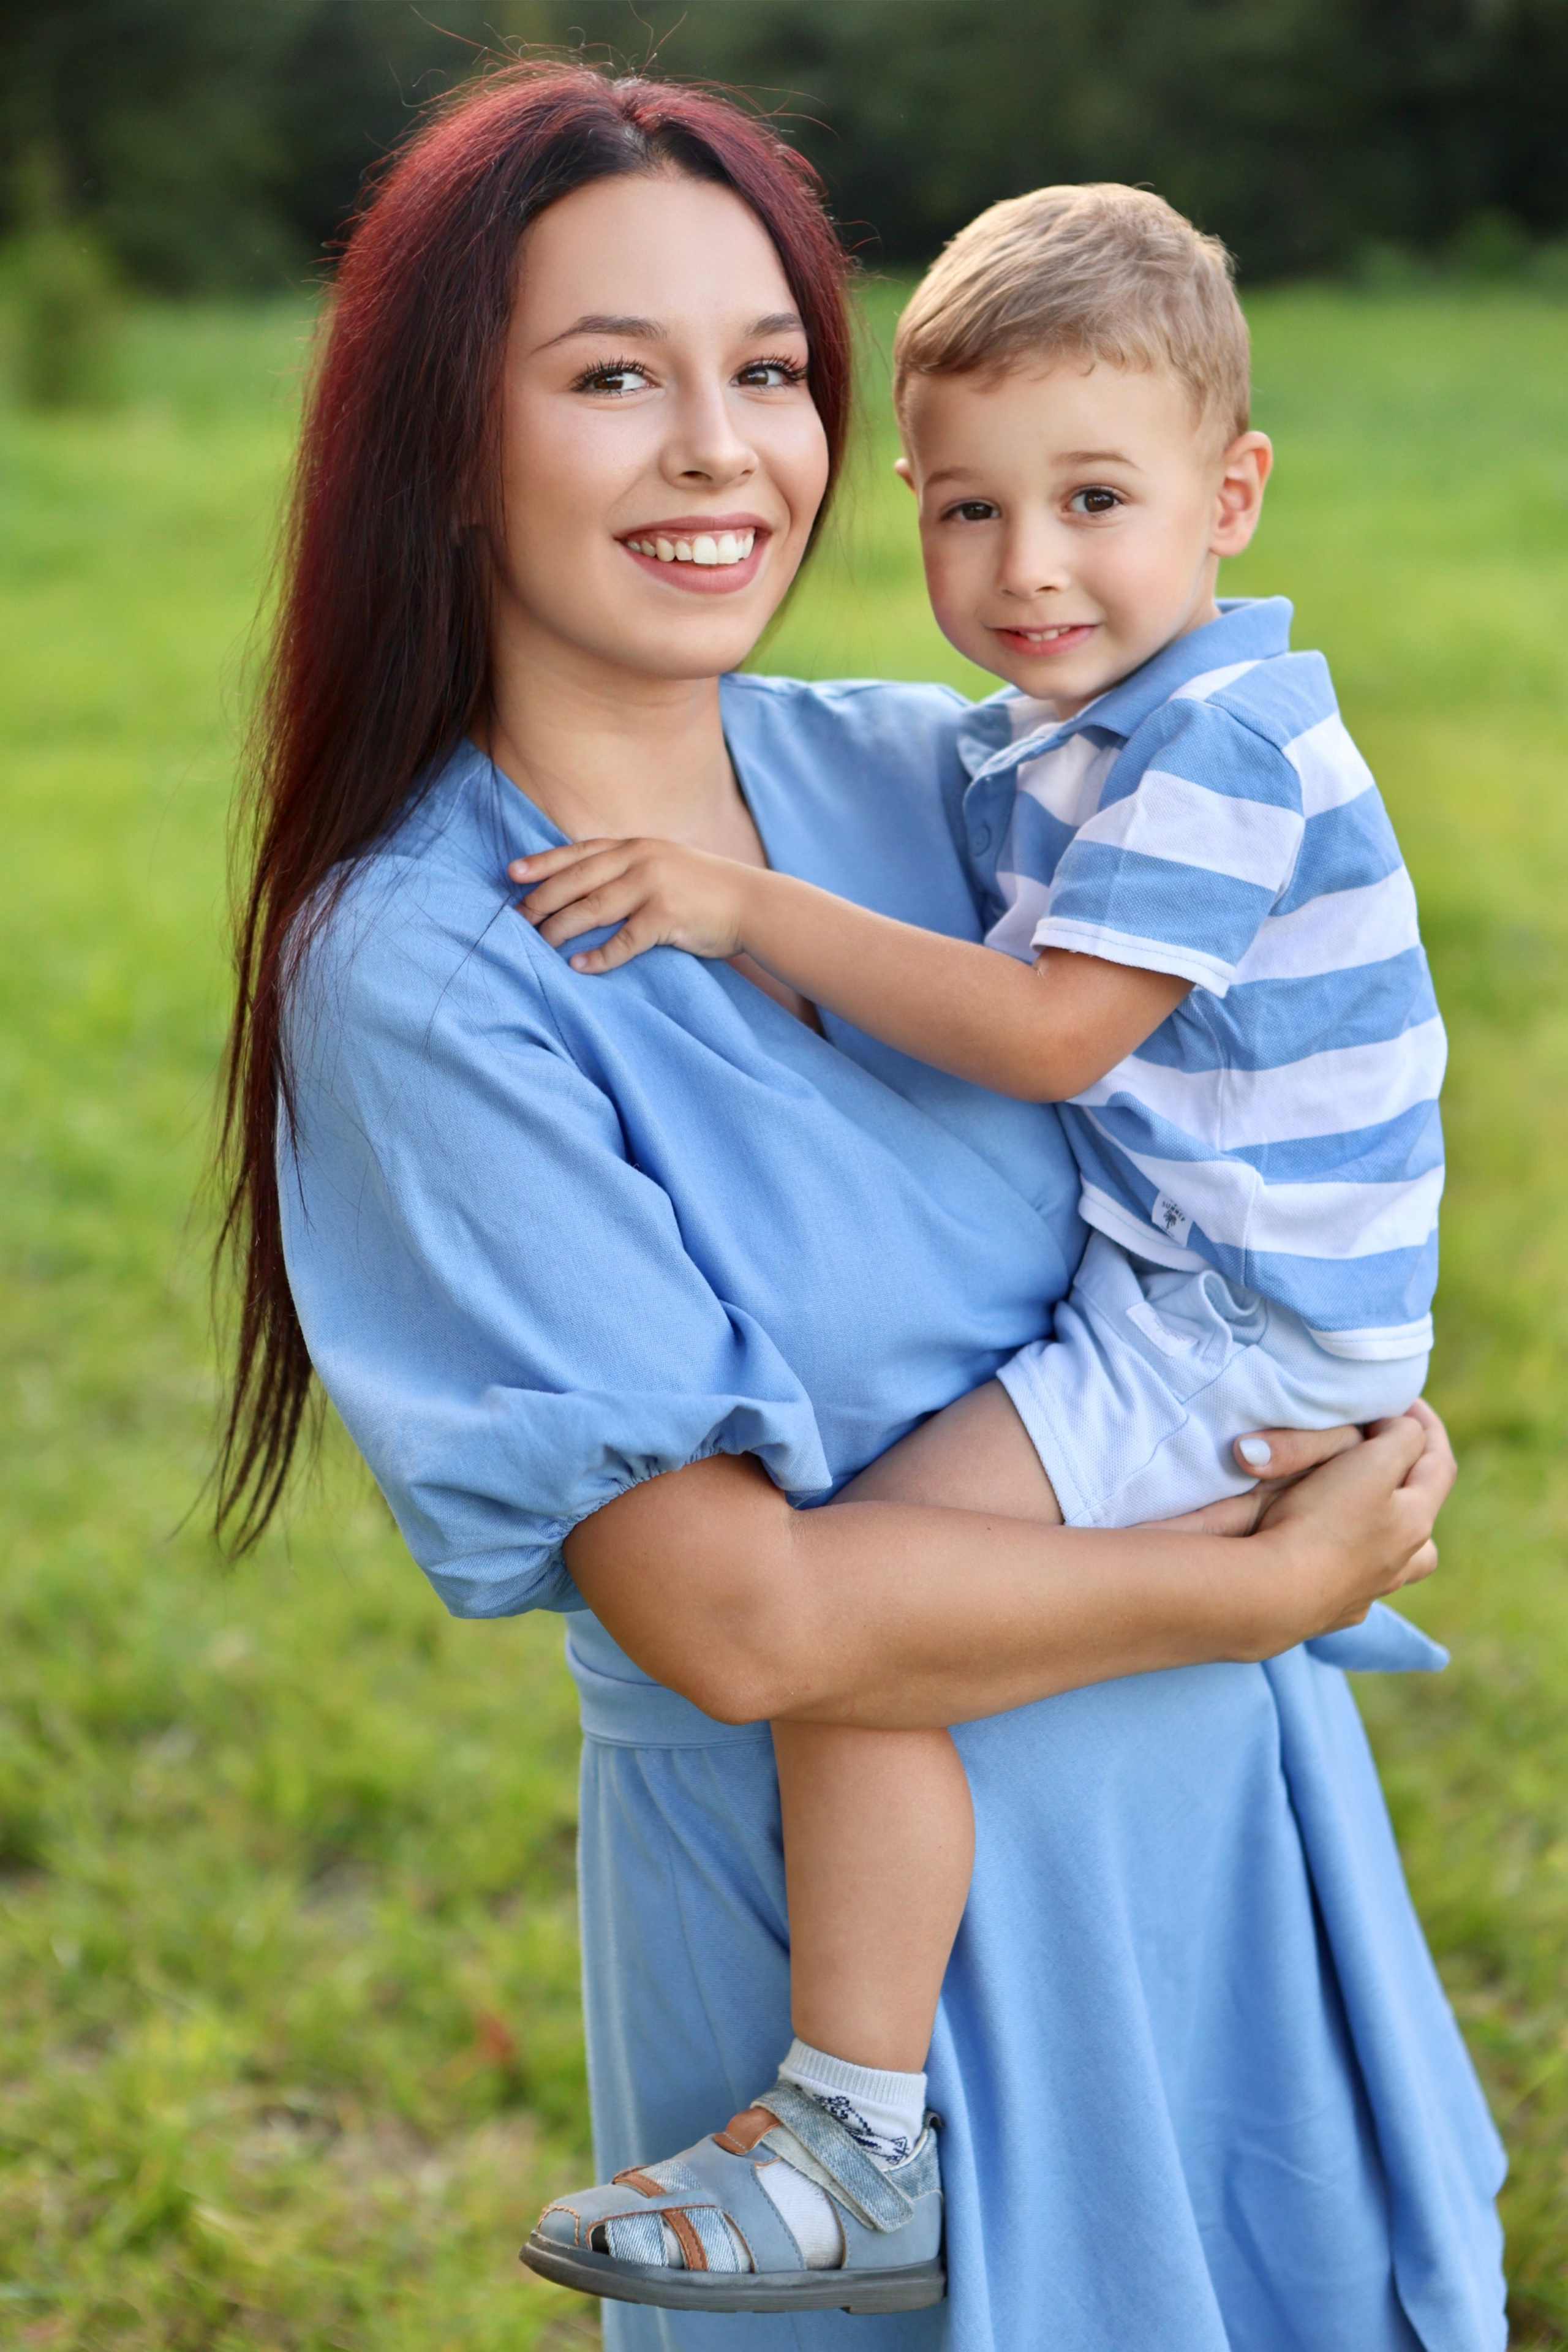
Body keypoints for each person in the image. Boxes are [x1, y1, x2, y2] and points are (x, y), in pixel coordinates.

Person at [215, 61, 1501, 2351]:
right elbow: (743, 1626)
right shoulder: (418, 969)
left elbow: (1258, 1116)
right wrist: (1262, 1580)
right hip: (851, 1970)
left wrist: (1340, 1418)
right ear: (444, 439)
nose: (722, 448)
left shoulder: (942, 777)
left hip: (1207, 1846)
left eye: (773, 370)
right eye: (616, 375)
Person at [511, 178, 1452, 2302]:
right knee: (857, 1617)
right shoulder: (1072, 735)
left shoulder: (1217, 744)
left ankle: (851, 2127)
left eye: (1095, 499)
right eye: (964, 513)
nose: (1026, 571)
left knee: (842, 1626)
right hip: (1220, 1303)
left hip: (1215, 1327)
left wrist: (743, 906)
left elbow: (1044, 1034)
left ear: (1236, 495)